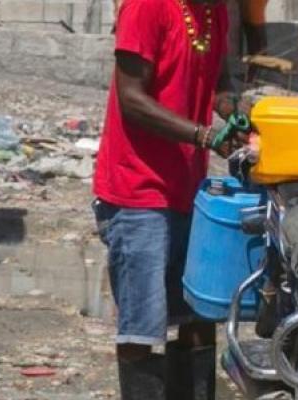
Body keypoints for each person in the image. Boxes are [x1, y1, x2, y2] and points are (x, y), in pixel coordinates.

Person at [93, 0, 246, 399]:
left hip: (187, 188)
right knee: (142, 330)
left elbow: (221, 82)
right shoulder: (146, 7)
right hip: (137, 192)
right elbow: (132, 99)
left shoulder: (215, 12)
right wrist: (204, 135)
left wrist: (237, 114)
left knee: (199, 316)